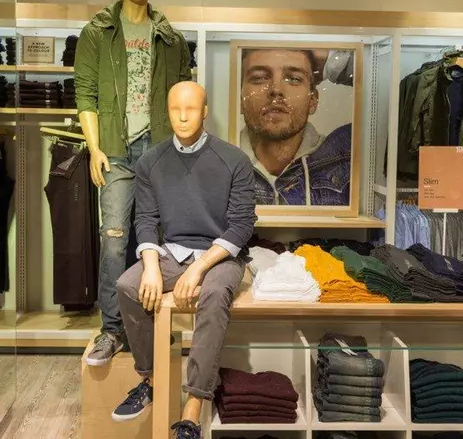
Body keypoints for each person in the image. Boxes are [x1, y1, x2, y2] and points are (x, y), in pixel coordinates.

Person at [111, 82, 256, 439]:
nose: (183, 116)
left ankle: (193, 404)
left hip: (220, 254)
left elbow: (241, 226)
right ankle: (150, 379)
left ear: (205, 111)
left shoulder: (234, 160)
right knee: (127, 286)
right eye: (176, 109)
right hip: (172, 251)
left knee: (214, 294)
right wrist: (149, 266)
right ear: (167, 111)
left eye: (191, 109)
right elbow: (146, 220)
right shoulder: (151, 161)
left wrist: (199, 268)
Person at [74, 0, 192, 366]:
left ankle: (148, 327)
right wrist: (94, 148)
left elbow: (183, 97)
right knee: (114, 238)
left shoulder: (170, 38)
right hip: (115, 149)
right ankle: (111, 330)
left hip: (158, 151)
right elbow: (85, 94)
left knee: (155, 241)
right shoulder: (98, 32)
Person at [239, 48, 354, 206]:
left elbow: (387, 88)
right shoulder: (219, 164)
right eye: (260, 78)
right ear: (240, 99)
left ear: (313, 101)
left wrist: (335, 62)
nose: (276, 90)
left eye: (293, 79)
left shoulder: (347, 156)